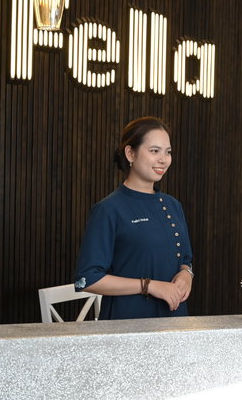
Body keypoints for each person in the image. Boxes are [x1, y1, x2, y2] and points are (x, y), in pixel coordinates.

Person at [74, 117, 193, 319]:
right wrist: (149, 286)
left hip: (174, 320)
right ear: (130, 153)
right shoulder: (108, 209)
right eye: (154, 151)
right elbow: (87, 279)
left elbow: (185, 259)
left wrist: (186, 274)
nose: (163, 159)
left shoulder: (173, 205)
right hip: (128, 322)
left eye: (168, 152)